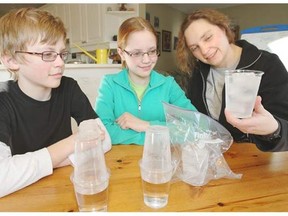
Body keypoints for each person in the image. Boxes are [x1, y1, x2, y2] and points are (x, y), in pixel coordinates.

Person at [0, 8, 111, 198]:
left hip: (66, 191)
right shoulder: (3, 100)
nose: (60, 62)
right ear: (11, 60)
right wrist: (73, 142)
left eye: (62, 53)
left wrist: (49, 160)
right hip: (24, 199)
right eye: (48, 54)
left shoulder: (69, 88)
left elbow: (104, 140)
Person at [176, 8, 288, 152]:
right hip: (215, 159)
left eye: (208, 37)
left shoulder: (267, 64)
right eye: (195, 47)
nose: (204, 50)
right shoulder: (198, 73)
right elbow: (195, 117)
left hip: (258, 161)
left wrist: (273, 130)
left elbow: (285, 129)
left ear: (223, 29)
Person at [95, 17, 197, 145]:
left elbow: (196, 126)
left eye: (152, 51)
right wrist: (159, 135)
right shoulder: (109, 84)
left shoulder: (169, 85)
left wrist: (146, 125)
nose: (146, 60)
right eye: (137, 53)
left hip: (162, 160)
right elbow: (103, 131)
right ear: (121, 53)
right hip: (122, 161)